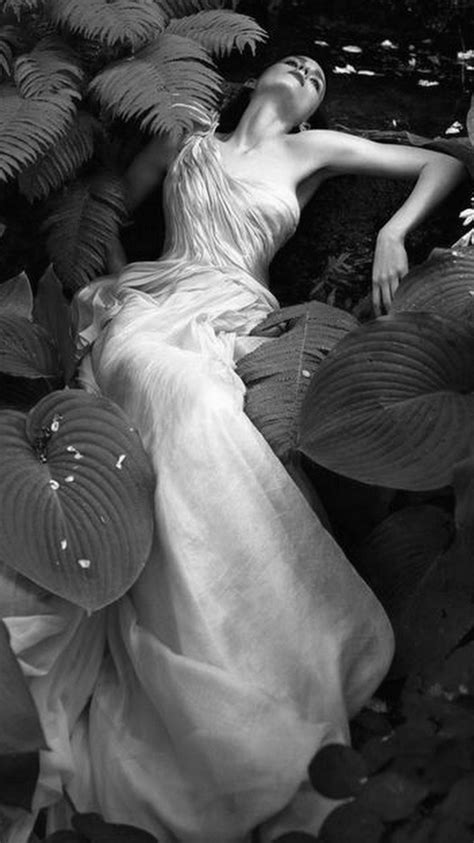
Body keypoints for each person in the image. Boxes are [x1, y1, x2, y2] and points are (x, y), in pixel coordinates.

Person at [5, 56, 467, 843]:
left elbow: (441, 161)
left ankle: (248, 643)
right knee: (162, 375)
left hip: (229, 308)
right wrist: (120, 283)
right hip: (153, 301)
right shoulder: (184, 137)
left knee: (197, 399)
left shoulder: (311, 149)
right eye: (293, 58)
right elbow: (111, 208)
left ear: (315, 107)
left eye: (320, 75)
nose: (304, 69)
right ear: (255, 80)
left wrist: (394, 231)